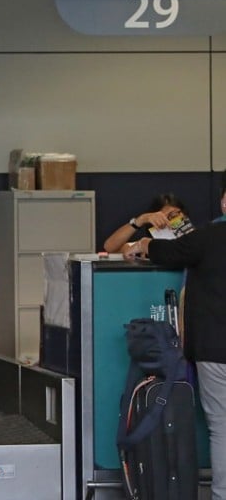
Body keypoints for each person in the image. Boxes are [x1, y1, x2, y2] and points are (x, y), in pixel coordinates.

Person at [126, 214, 226, 500]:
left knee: (222, 428)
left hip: (215, 349)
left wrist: (142, 244)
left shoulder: (209, 237)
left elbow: (167, 251)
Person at [102, 193, 190, 254]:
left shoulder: (195, 242)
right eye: (162, 218)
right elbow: (109, 247)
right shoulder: (145, 246)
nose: (169, 222)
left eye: (174, 216)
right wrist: (141, 219)